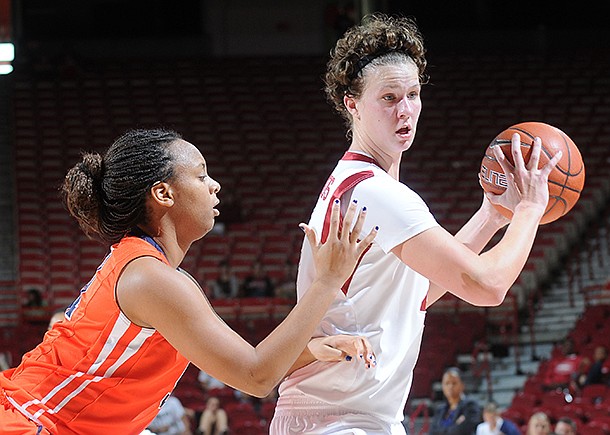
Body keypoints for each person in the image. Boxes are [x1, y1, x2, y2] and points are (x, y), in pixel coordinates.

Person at [271, 13, 562, 435]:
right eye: (389, 98)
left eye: (412, 94)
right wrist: (531, 209)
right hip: (338, 419)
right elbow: (487, 286)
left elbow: (419, 290)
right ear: (352, 104)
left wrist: (491, 216)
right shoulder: (376, 193)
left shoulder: (358, 182)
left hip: (346, 415)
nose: (405, 109)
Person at [0, 128, 378, 434]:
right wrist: (327, 281)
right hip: (33, 421)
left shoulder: (158, 273)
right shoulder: (152, 279)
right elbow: (256, 376)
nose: (214, 185)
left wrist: (313, 348)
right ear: (163, 193)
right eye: (200, 175)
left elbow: (241, 362)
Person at [429, 367, 481, 434]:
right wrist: (454, 426)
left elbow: (461, 431)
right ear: (442, 386)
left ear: (462, 385)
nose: (450, 386)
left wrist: (441, 431)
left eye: (454, 383)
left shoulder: (470, 405)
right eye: (447, 383)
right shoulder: (440, 409)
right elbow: (432, 432)